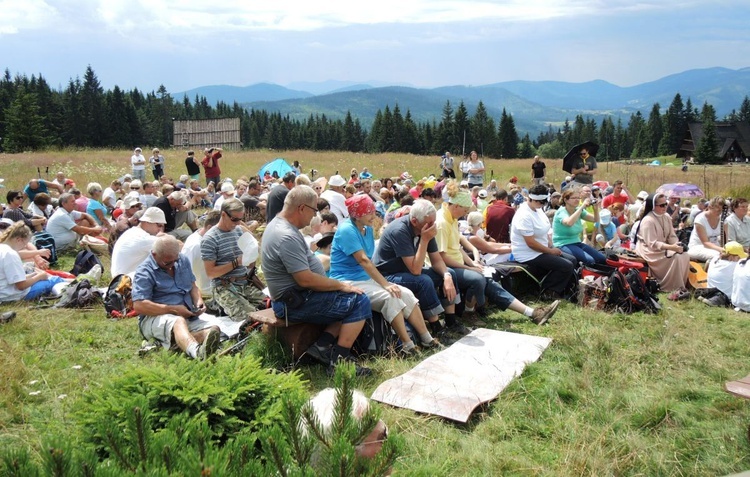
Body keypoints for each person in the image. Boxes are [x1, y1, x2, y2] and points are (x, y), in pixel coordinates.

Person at [261, 185, 372, 376]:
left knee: (348, 296)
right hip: (294, 302)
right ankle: (339, 361)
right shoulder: (286, 235)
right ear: (301, 208)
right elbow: (305, 279)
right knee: (359, 301)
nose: (316, 217)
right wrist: (340, 285)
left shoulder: (280, 226)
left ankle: (321, 346)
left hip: (297, 297)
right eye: (314, 210)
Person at [329, 194, 441, 354]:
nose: (374, 216)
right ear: (358, 214)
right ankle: (408, 345)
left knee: (406, 293)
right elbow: (363, 260)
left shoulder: (366, 229)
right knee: (390, 298)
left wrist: (385, 284)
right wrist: (386, 284)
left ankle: (427, 338)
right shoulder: (347, 229)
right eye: (369, 212)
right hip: (347, 281)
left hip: (365, 279)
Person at [436, 184, 559, 323]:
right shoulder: (442, 223)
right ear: (456, 206)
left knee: (487, 279)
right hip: (447, 267)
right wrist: (469, 267)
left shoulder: (451, 218)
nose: (465, 213)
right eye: (464, 210)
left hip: (457, 264)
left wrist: (473, 263)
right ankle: (469, 312)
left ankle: (532, 313)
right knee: (478, 278)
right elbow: (441, 256)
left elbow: (456, 248)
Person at [132, 235, 221, 360]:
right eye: (167, 262)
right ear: (154, 254)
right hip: (155, 318)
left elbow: (193, 286)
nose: (172, 265)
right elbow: (139, 306)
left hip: (187, 316)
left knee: (214, 330)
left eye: (175, 260)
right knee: (177, 321)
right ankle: (197, 353)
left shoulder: (182, 260)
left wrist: (198, 301)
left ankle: (176, 345)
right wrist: (172, 309)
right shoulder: (144, 272)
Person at [510, 184, 578, 299]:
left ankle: (561, 287)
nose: (542, 204)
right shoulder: (524, 215)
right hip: (528, 254)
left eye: (544, 202)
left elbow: (545, 232)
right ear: (530, 199)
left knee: (572, 259)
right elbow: (530, 243)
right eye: (539, 202)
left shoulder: (538, 209)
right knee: (566, 265)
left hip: (542, 249)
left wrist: (551, 246)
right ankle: (548, 291)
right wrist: (550, 251)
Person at [202, 198, 265, 321]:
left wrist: (252, 254)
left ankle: (219, 307)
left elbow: (252, 248)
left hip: (244, 283)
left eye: (240, 219)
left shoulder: (239, 230)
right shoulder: (210, 239)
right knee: (252, 319)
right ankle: (216, 305)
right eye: (235, 219)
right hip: (224, 286)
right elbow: (211, 273)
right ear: (224, 214)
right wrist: (237, 262)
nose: (238, 223)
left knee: (272, 306)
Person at [633, 193, 690, 292]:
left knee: (685, 255)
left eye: (666, 204)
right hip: (649, 250)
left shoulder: (666, 216)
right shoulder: (648, 220)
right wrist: (672, 248)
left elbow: (671, 236)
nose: (665, 207)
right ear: (653, 206)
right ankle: (671, 287)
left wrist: (677, 245)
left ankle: (681, 285)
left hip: (665, 247)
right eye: (662, 205)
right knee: (675, 257)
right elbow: (653, 244)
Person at [0, 222, 65, 303]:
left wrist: (33, 276)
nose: (24, 247)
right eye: (25, 244)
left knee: (42, 276)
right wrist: (40, 277)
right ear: (19, 240)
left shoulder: (3, 249)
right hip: (10, 296)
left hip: (3, 292)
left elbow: (11, 279)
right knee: (54, 280)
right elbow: (21, 286)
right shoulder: (11, 254)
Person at [552, 189, 606, 266]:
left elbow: (596, 220)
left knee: (601, 258)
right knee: (589, 261)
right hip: (563, 244)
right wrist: (582, 207)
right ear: (565, 200)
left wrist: (596, 209)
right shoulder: (561, 212)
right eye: (574, 198)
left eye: (578, 198)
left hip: (576, 242)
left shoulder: (577, 210)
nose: (577, 200)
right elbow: (569, 223)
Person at [111, 207, 166, 277]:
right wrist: (166, 237)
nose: (160, 230)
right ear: (147, 222)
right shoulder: (142, 238)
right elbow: (172, 246)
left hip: (122, 279)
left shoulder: (133, 232)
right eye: (159, 225)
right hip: (126, 282)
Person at [182, 210, 221, 297]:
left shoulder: (203, 237)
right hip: (208, 293)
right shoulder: (195, 246)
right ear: (210, 228)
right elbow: (184, 274)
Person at [687, 196, 724, 263]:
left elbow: (725, 240)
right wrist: (721, 250)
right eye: (718, 209)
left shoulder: (723, 219)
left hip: (715, 246)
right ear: (709, 207)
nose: (720, 212)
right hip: (698, 247)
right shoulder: (700, 219)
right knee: (718, 255)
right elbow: (705, 243)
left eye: (721, 209)